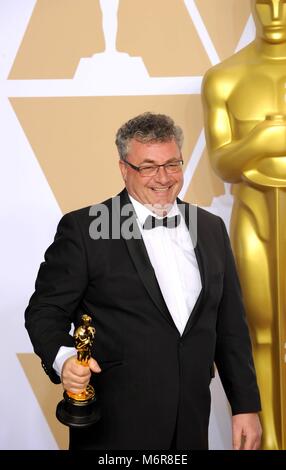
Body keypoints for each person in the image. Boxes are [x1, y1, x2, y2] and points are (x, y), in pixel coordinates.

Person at [25, 112, 262, 450]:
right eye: (148, 167)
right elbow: (44, 311)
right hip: (114, 427)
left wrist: (245, 406)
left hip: (191, 422)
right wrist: (64, 359)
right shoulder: (85, 229)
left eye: (172, 164)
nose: (163, 178)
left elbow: (230, 327)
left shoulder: (210, 228)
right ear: (124, 168)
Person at [201, 0, 286, 450]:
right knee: (261, 333)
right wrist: (263, 140)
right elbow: (223, 162)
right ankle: (269, 439)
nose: (274, 12)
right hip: (255, 215)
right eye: (263, 1)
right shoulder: (224, 78)